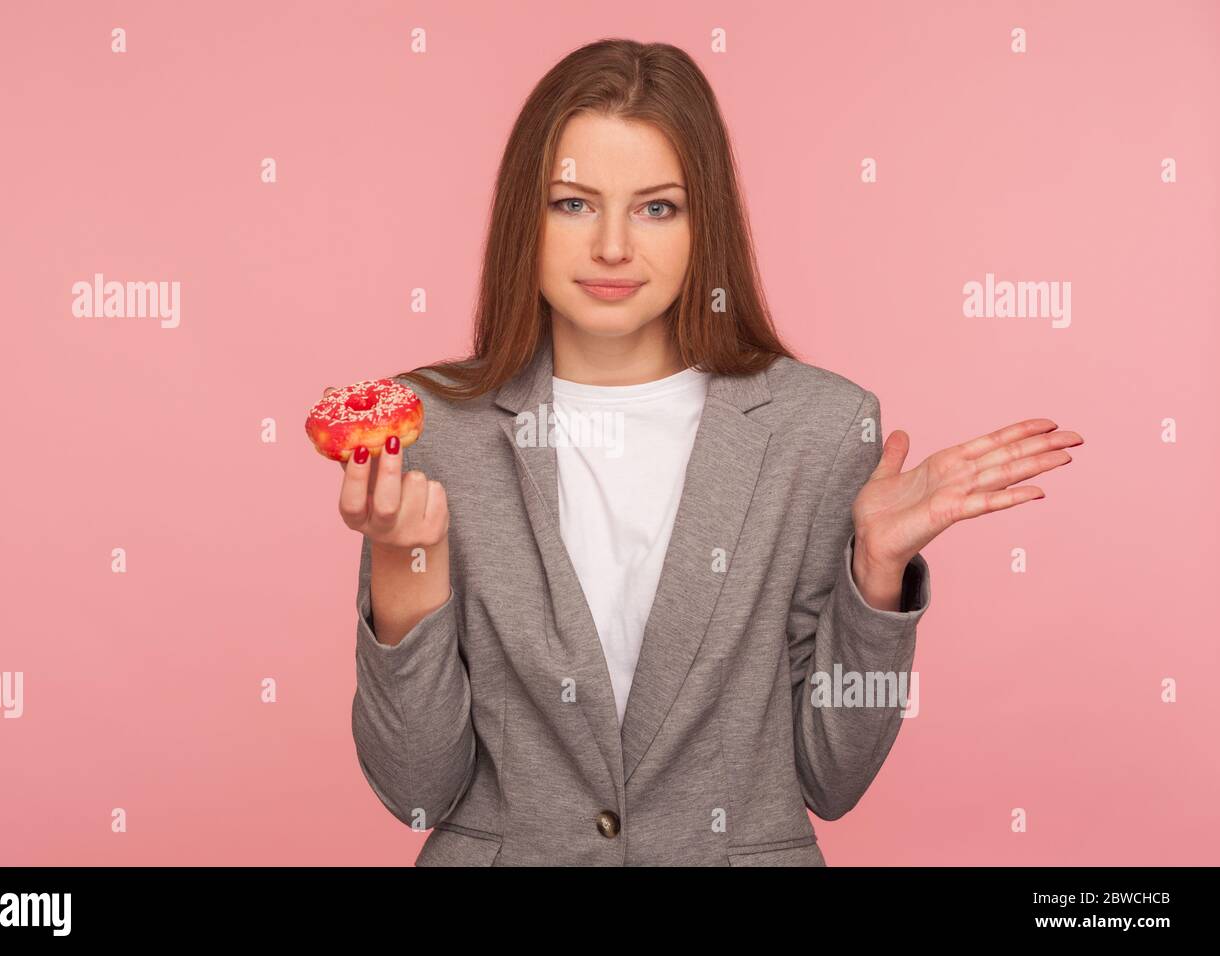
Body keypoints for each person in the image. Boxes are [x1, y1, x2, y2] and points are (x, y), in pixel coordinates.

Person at [326, 39, 1083, 866]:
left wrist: (876, 575)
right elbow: (419, 792)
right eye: (573, 204)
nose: (613, 246)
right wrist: (407, 562)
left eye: (657, 207)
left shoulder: (819, 428)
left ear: (704, 222)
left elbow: (829, 780)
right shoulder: (430, 426)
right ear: (522, 216)